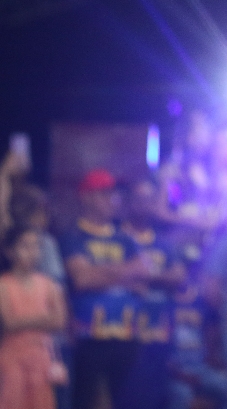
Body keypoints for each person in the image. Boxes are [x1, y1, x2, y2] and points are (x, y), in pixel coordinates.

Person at [60, 169, 147, 409]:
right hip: (88, 336)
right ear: (86, 197)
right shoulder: (72, 235)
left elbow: (143, 273)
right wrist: (125, 274)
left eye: (114, 194)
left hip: (126, 334)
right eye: (105, 193)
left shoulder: (125, 238)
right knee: (87, 400)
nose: (113, 199)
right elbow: (82, 279)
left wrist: (99, 271)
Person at [120, 177, 188, 409]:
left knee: (156, 392)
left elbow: (178, 277)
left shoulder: (163, 242)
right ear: (128, 202)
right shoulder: (117, 238)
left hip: (159, 331)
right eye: (139, 199)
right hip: (125, 333)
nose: (145, 205)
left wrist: (140, 276)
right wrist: (158, 278)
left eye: (149, 199)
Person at [0, 226, 68, 409]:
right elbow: (9, 323)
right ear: (9, 251)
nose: (32, 252)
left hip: (41, 358)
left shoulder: (48, 284)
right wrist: (44, 319)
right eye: (25, 246)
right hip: (12, 357)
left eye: (36, 246)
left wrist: (26, 322)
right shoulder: (4, 285)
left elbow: (59, 321)